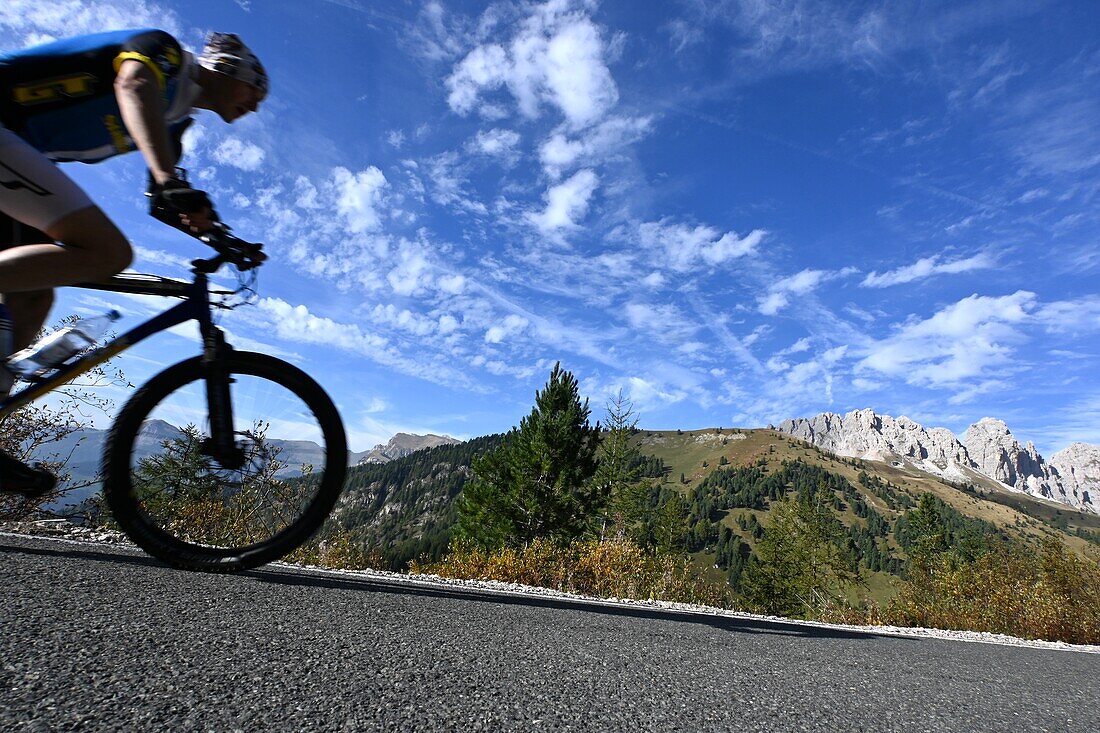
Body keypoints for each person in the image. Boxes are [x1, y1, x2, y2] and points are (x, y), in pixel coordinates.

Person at [0, 28, 267, 494]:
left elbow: (165, 202)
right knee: (109, 253)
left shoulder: (177, 123)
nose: (257, 105)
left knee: (32, 300)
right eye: (255, 89)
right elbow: (132, 86)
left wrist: (226, 239)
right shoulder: (162, 53)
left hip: (17, 160)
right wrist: (168, 177)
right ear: (230, 69)